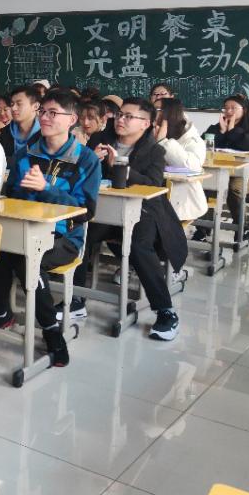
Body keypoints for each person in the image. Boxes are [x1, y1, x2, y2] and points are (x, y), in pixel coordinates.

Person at [0, 90, 101, 365]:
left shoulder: (86, 160)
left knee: (27, 258)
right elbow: (12, 197)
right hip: (23, 232)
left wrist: (47, 189)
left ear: (72, 120)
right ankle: (1, 312)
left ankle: (51, 329)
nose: (45, 118)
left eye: (53, 113)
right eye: (43, 112)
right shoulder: (26, 154)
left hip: (65, 237)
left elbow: (86, 211)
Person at [82, 98, 187, 341]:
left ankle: (165, 311)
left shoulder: (155, 150)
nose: (121, 119)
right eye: (120, 114)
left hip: (144, 212)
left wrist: (122, 167)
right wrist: (90, 160)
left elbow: (153, 183)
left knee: (139, 245)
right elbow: (81, 172)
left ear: (145, 124)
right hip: (104, 211)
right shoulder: (99, 139)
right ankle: (76, 299)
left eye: (129, 116)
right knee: (81, 234)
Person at [206, 93, 249, 238]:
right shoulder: (216, 128)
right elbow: (203, 144)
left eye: (233, 108)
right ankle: (203, 228)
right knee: (206, 185)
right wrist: (221, 132)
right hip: (220, 173)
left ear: (244, 110)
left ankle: (241, 226)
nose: (228, 111)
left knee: (234, 187)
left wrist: (233, 130)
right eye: (226, 108)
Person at [156, 98, 208, 223]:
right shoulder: (148, 130)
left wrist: (162, 142)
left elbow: (191, 167)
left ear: (169, 114)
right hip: (151, 193)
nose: (150, 112)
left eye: (156, 109)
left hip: (180, 201)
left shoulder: (192, 139)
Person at [0, 85, 41, 159]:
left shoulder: (46, 135)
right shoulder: (5, 133)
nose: (13, 108)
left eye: (19, 104)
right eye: (12, 104)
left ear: (35, 106)